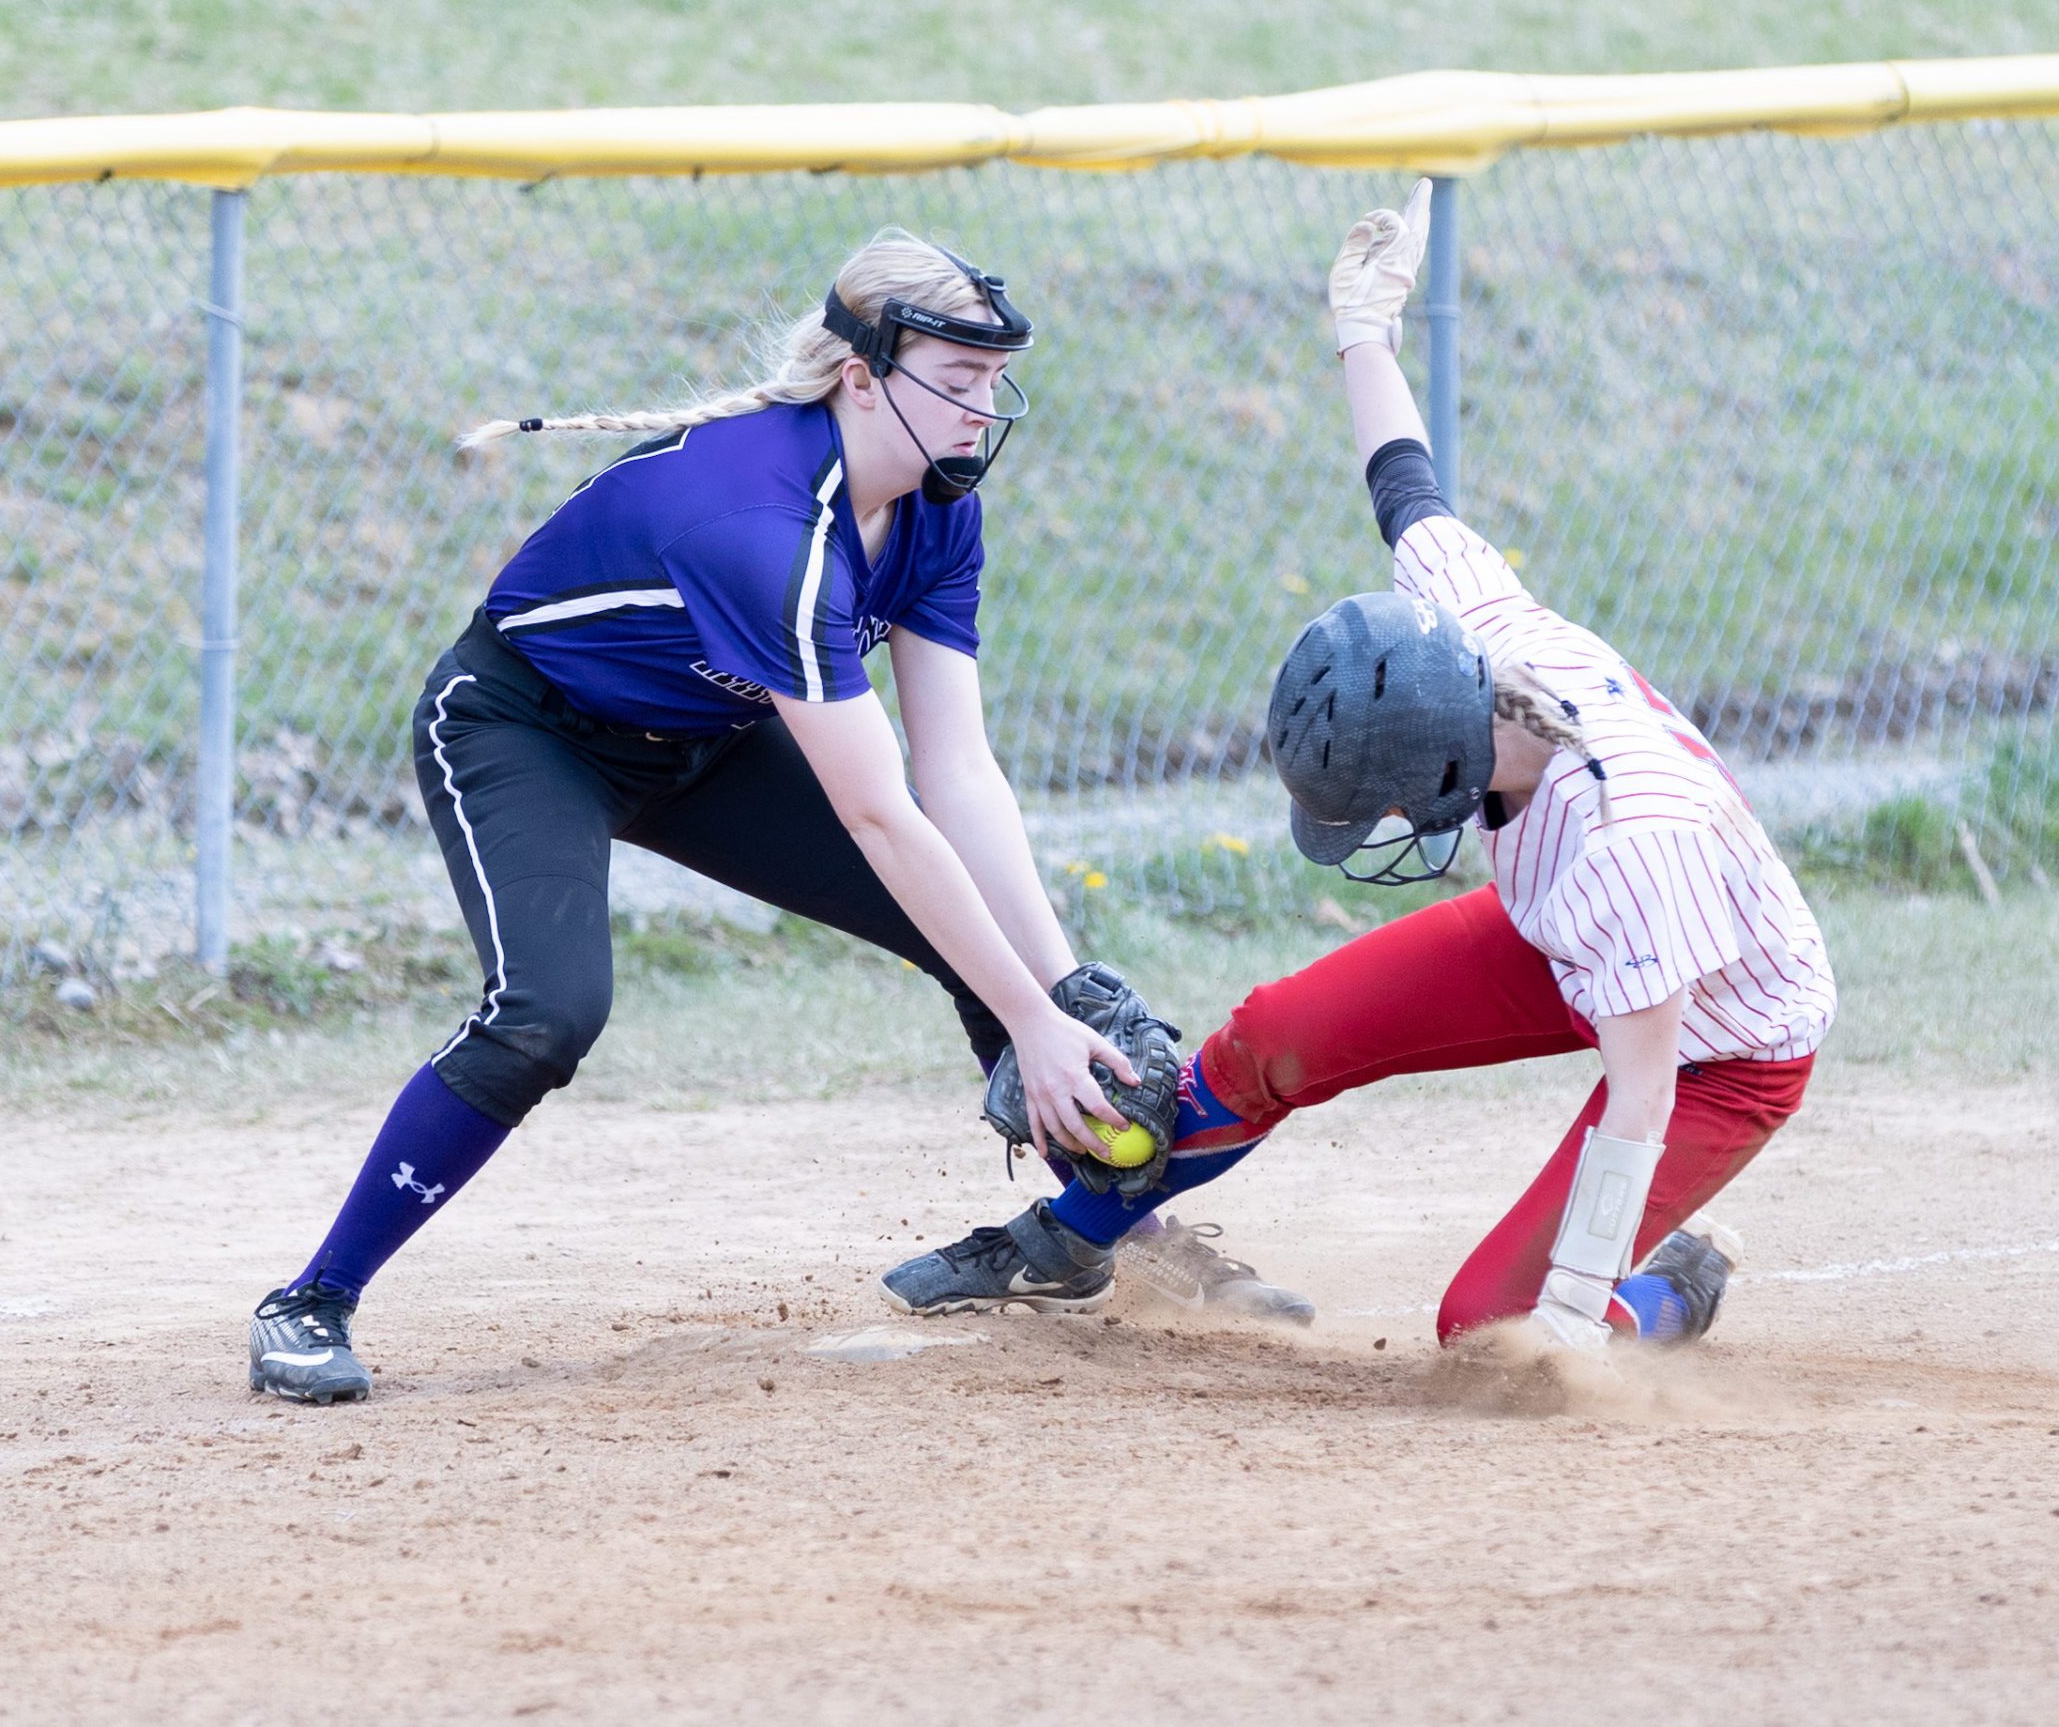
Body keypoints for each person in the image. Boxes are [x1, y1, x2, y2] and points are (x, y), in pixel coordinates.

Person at [247, 231, 1295, 1404]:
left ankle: (1111, 1236)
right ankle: (311, 1299)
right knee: (546, 1016)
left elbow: (958, 773)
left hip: (711, 737)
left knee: (977, 943)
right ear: (861, 377)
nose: (982, 411)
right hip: (527, 729)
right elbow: (878, 812)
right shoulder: (762, 528)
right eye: (957, 380)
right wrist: (1028, 1017)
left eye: (995, 382)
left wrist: (1057, 993)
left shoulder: (936, 506)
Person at [884, 184, 1836, 1354]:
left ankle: (1673, 1289)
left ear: (1445, 763)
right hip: (1566, 932)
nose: (1381, 821)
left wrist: (1574, 1312)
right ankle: (1064, 1239)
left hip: (1714, 1041)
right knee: (1276, 1034)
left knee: (1498, 1334)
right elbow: (1404, 480)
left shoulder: (1636, 844)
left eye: (1385, 802)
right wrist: (1360, 326)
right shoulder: (1467, 635)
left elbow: (1642, 1097)